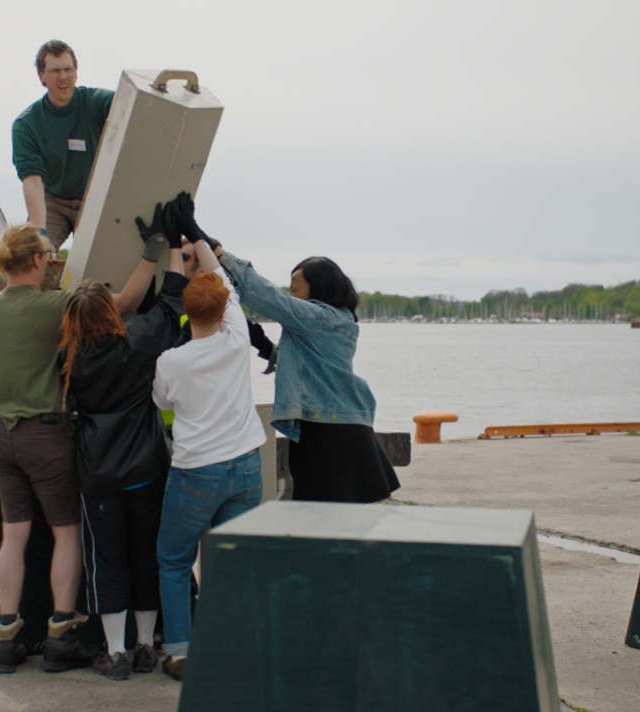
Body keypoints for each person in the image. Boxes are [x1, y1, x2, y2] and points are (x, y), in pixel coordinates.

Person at [0, 223, 154, 674]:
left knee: (13, 536)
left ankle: (6, 637)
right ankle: (61, 634)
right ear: (37, 261)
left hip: (3, 436)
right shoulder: (54, 305)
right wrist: (153, 252)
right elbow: (126, 303)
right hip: (46, 434)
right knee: (67, 533)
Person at [170, 192, 400, 504]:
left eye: (295, 290)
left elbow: (264, 294)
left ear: (317, 290)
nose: (290, 295)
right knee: (332, 522)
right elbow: (309, 367)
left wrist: (215, 248)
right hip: (332, 430)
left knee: (319, 520)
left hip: (331, 435)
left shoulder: (318, 317)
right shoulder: (333, 322)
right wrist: (266, 347)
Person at [58, 207, 188, 680]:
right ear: (114, 312)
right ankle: (146, 646)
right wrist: (167, 245)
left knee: (107, 561)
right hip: (146, 467)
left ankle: (113, 653)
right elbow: (172, 302)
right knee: (146, 557)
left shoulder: (68, 361)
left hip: (98, 473)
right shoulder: (138, 341)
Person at [151, 219, 266, 682]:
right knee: (230, 559)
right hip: (246, 466)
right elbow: (228, 288)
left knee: (174, 559)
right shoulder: (238, 340)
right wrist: (197, 237)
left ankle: (179, 650)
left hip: (197, 470)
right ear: (221, 313)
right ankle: (231, 643)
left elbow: (162, 402)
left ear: (185, 310)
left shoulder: (171, 360)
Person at [12, 40, 114, 264]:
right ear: (41, 76)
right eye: (55, 70)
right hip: (54, 198)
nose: (63, 77)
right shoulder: (27, 124)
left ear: (76, 72)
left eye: (68, 69)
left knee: (101, 263)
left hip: (94, 198)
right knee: (33, 257)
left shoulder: (94, 102)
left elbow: (128, 102)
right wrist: (41, 233)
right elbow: (32, 181)